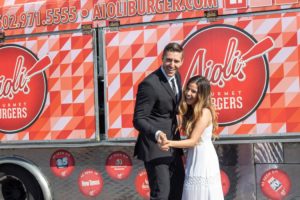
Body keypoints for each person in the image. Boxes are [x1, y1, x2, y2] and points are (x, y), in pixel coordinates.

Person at [133, 42, 185, 200]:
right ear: (162, 59)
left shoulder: (176, 76)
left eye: (176, 61)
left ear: (181, 62)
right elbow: (138, 119)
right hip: (155, 147)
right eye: (168, 60)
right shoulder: (150, 84)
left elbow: (171, 106)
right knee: (162, 194)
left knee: (178, 189)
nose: (172, 65)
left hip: (172, 145)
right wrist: (156, 134)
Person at [159, 75, 224, 200]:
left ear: (202, 94)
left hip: (203, 158)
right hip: (195, 156)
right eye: (188, 89)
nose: (188, 93)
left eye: (193, 91)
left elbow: (193, 141)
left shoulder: (205, 112)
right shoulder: (192, 110)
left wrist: (169, 143)